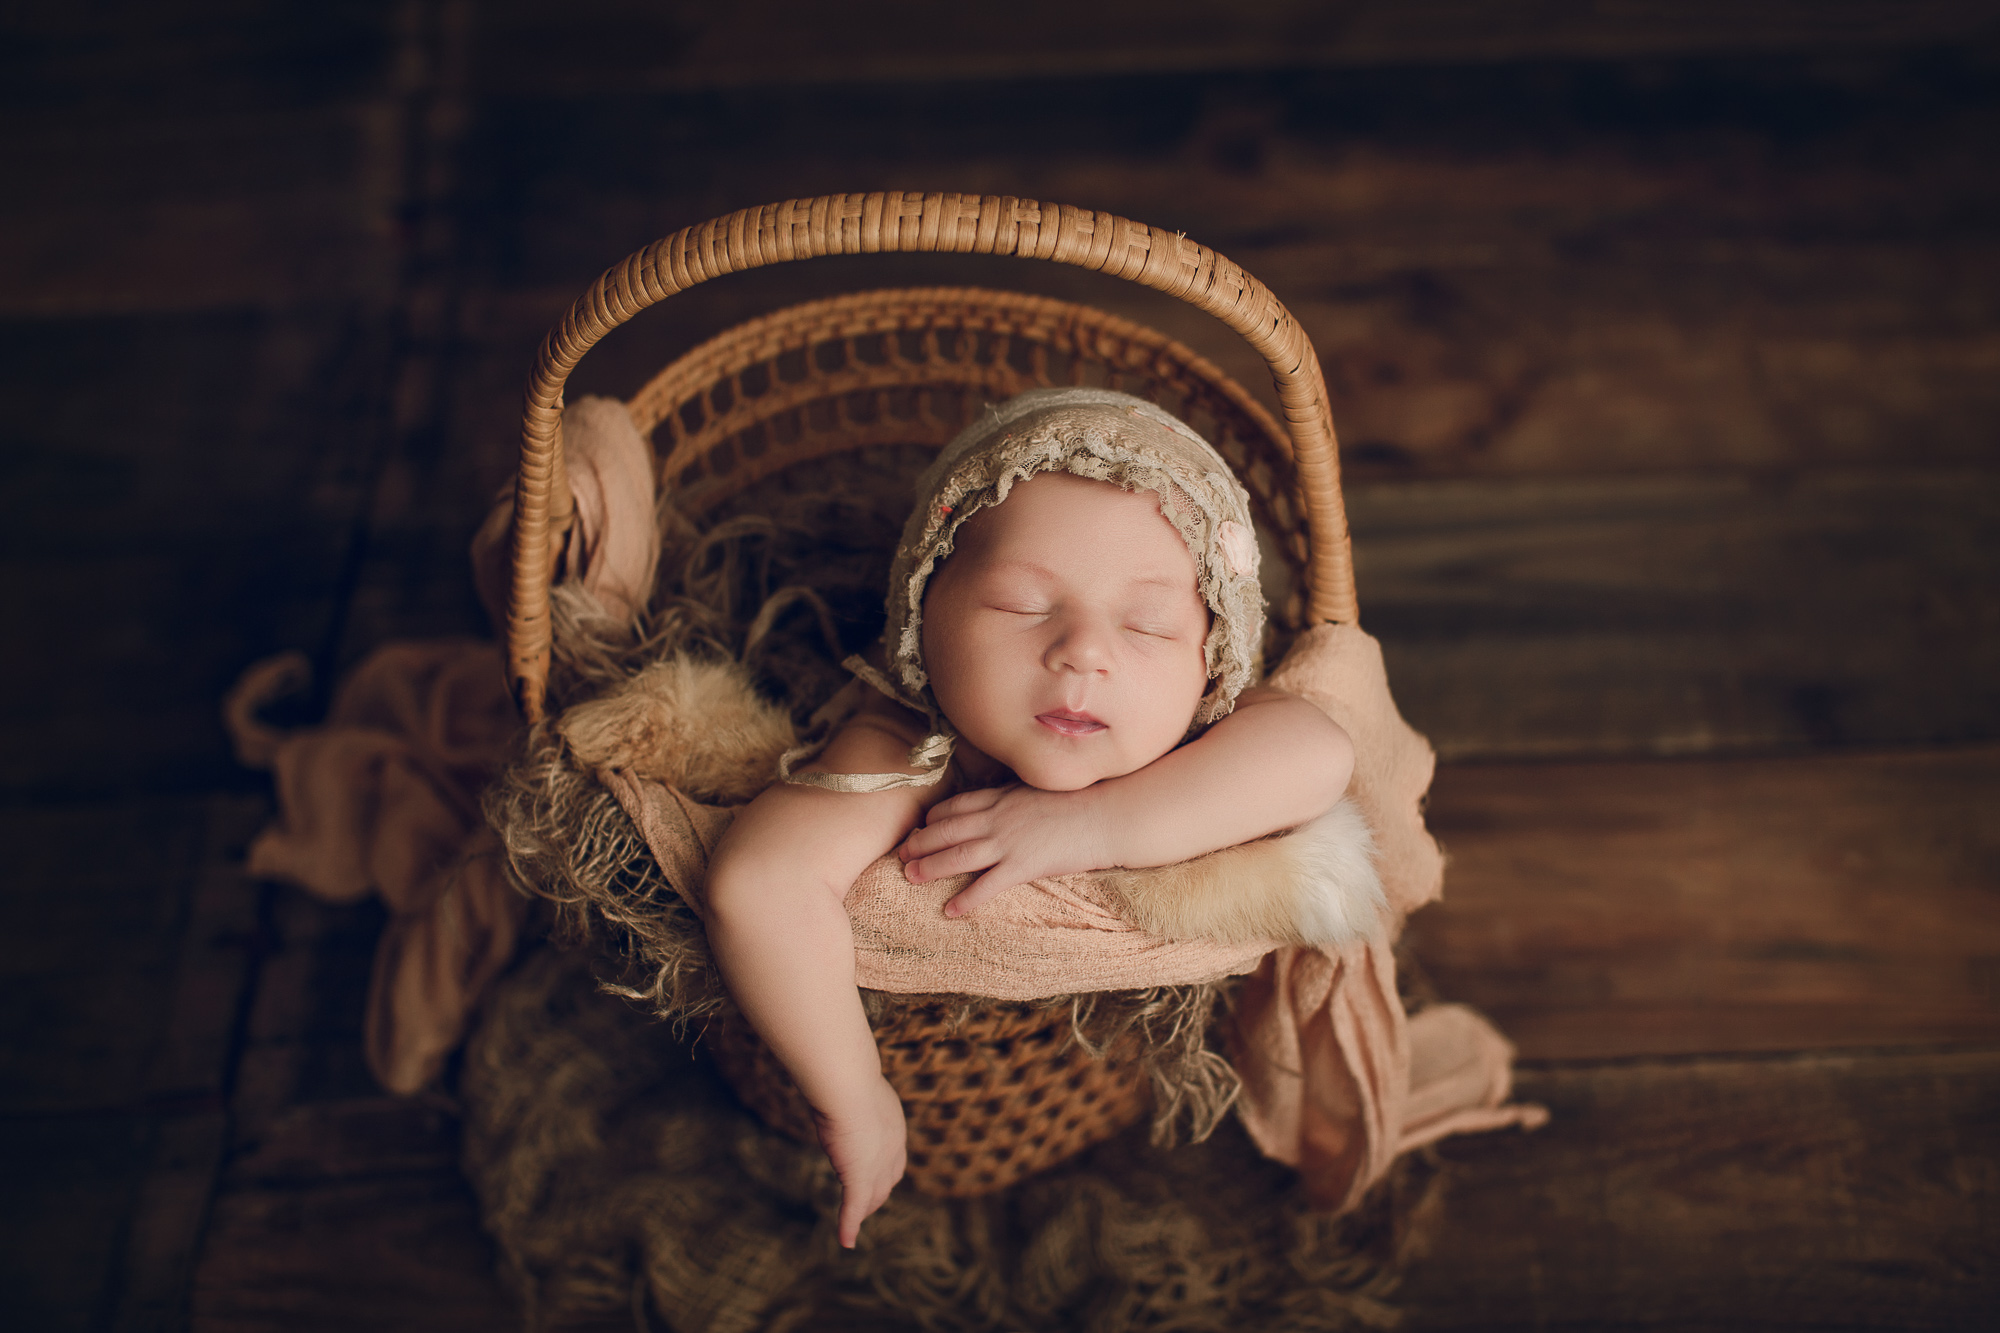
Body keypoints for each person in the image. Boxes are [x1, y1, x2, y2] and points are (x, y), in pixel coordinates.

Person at [701, 389, 1358, 1247]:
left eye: (1150, 624)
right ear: (921, 614)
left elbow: (1321, 753)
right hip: (941, 1079)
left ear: (1215, 663)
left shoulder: (1197, 727)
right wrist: (856, 1097)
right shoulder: (908, 740)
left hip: (1110, 1088)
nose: (1084, 650)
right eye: (1019, 602)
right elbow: (759, 883)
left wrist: (1095, 823)